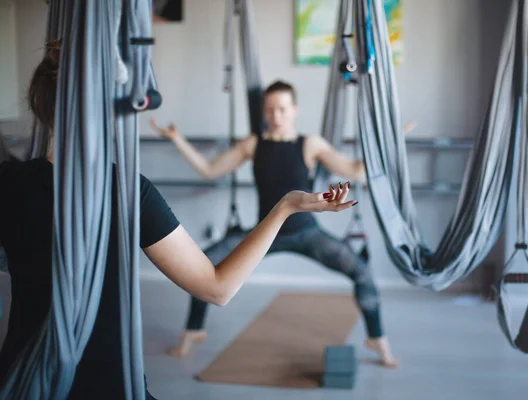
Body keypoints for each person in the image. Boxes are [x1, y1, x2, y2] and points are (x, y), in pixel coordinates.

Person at [0, 44, 356, 399]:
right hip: (105, 381)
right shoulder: (126, 191)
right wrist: (285, 207)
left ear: (38, 106)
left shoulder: (8, 182)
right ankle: (192, 332)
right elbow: (218, 288)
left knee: (360, 274)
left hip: (20, 379)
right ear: (105, 109)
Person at [150, 80, 415, 370]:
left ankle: (377, 340)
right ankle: (194, 330)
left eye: (282, 110)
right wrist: (177, 139)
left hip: (306, 232)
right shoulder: (254, 144)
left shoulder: (310, 144)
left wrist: (391, 144)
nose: (276, 116)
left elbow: (355, 171)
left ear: (294, 110)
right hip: (265, 233)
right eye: (270, 110)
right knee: (203, 265)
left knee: (362, 273)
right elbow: (209, 169)